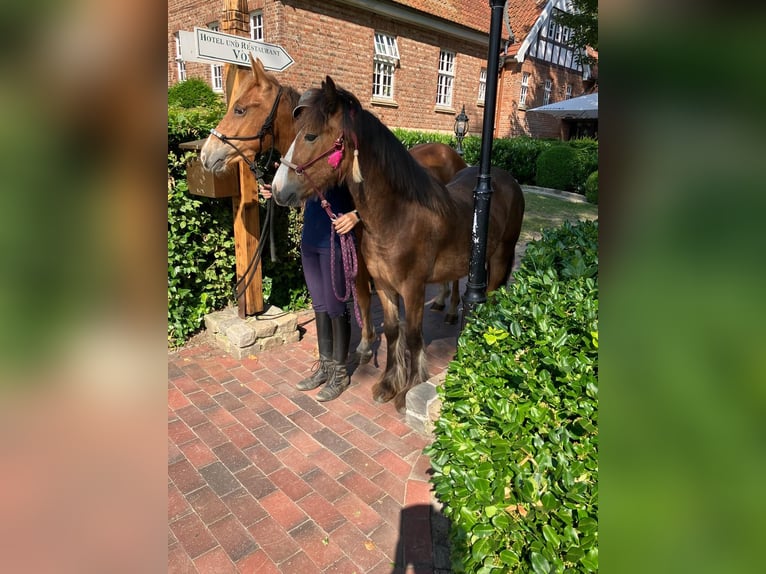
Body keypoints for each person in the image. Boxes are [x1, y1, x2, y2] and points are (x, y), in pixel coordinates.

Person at [259, 180, 362, 402]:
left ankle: (340, 373)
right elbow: (298, 195)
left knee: (336, 306)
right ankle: (326, 366)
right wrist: (275, 193)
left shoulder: (344, 161)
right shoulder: (309, 162)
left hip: (334, 241)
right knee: (320, 305)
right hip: (311, 240)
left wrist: (356, 215)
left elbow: (376, 192)